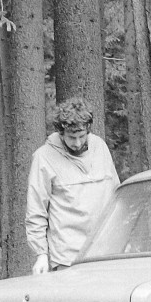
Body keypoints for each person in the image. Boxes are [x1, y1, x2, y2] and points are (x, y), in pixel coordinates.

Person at [26, 97, 120, 274]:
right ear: (61, 133)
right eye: (71, 137)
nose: (77, 143)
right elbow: (36, 210)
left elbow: (116, 196)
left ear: (88, 130)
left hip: (105, 251)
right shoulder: (44, 157)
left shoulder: (100, 147)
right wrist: (41, 254)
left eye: (82, 136)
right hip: (67, 257)